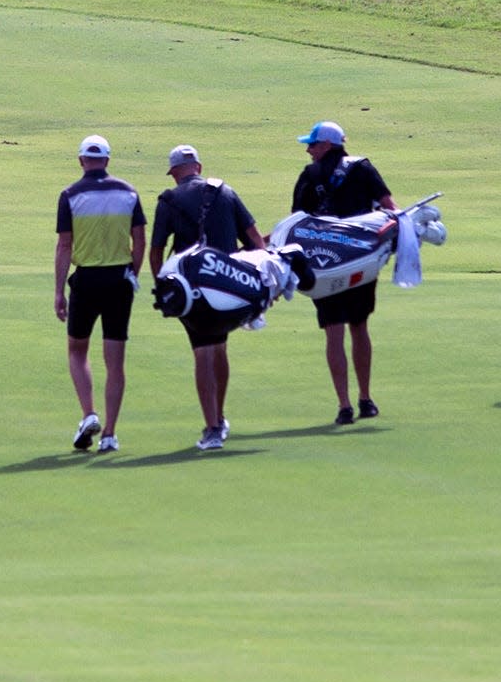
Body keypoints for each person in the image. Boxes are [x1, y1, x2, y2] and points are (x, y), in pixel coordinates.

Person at [150, 144, 265, 451]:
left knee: (203, 351)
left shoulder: (168, 199)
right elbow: (255, 240)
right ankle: (220, 416)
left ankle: (213, 427)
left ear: (175, 172)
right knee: (219, 347)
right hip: (229, 290)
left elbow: (157, 250)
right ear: (198, 167)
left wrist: (162, 287)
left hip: (192, 291)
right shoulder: (226, 192)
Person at [290, 120, 395, 425]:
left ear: (327, 146)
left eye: (313, 144)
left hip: (324, 265)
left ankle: (344, 405)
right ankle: (366, 399)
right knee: (360, 327)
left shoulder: (310, 175)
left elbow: (298, 222)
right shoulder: (363, 168)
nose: (309, 150)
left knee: (333, 332)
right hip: (361, 262)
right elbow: (390, 208)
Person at [53, 134, 146, 456]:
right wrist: (132, 273)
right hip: (120, 280)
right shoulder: (128, 192)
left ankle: (89, 413)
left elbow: (65, 246)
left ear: (81, 161)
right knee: (115, 362)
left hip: (87, 281)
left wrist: (58, 291)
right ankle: (109, 434)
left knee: (77, 350)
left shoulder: (70, 195)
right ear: (107, 160)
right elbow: (140, 241)